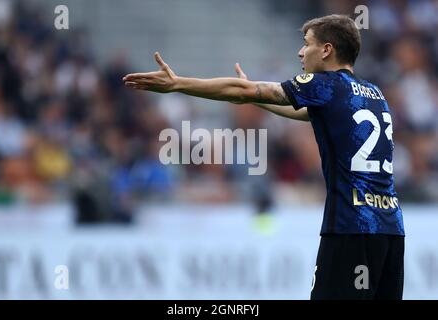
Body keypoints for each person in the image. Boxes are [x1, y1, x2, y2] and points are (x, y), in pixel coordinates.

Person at [123, 14, 405, 300]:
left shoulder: (326, 84)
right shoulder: (373, 93)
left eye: (306, 44)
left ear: (327, 50)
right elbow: (305, 111)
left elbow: (245, 89)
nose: (300, 51)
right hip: (391, 229)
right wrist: (253, 97)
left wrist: (178, 84)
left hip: (351, 227)